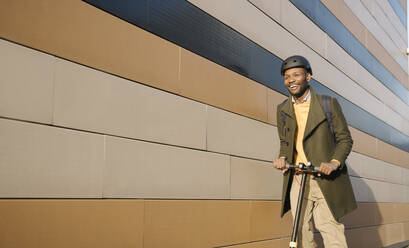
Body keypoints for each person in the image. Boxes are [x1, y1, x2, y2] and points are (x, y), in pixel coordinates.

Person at [273, 55, 357, 247]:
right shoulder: (283, 109)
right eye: (287, 77)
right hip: (298, 176)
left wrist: (334, 163)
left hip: (324, 176)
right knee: (299, 229)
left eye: (296, 75)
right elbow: (285, 141)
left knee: (328, 226)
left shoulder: (328, 104)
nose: (291, 80)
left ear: (308, 77)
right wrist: (282, 158)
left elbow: (345, 139)